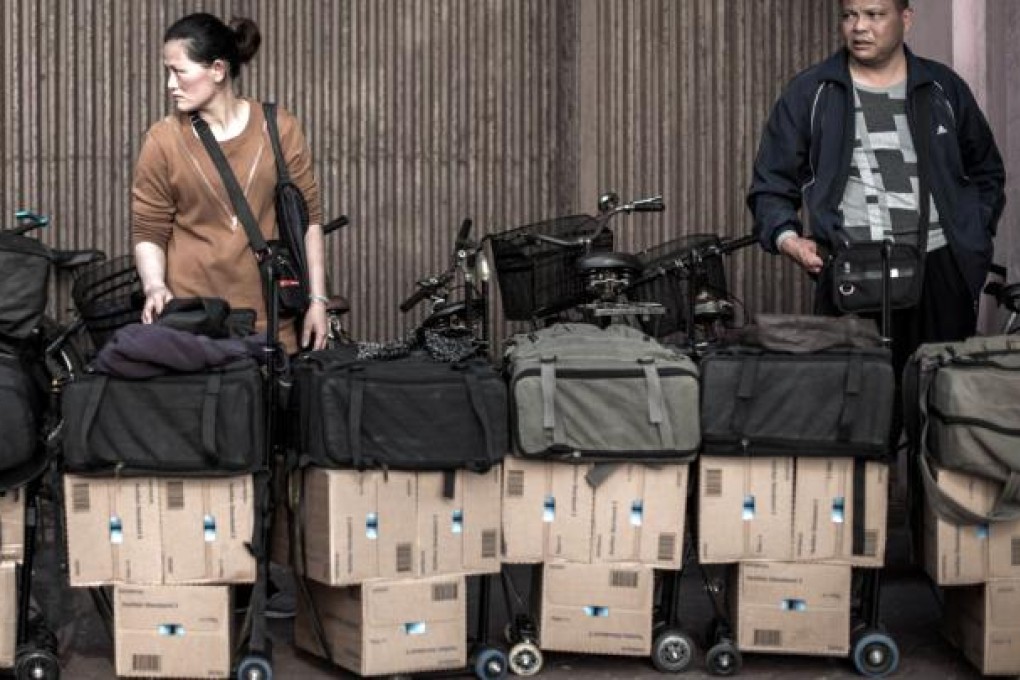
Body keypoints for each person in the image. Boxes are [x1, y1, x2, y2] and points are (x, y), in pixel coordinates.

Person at [747, 0, 1006, 373]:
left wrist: (973, 234)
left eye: (874, 15)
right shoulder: (812, 91)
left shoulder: (942, 87)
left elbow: (986, 171)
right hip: (854, 265)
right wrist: (788, 239)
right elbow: (771, 181)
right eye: (850, 15)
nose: (859, 27)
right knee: (861, 403)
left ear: (905, 19)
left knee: (942, 396)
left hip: (939, 265)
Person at [132, 12, 329, 354]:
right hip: (194, 326)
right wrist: (154, 286)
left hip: (271, 325)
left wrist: (318, 301)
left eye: (179, 72)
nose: (170, 85)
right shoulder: (162, 141)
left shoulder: (279, 128)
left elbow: (308, 220)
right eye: (168, 71)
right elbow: (149, 230)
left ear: (218, 70)